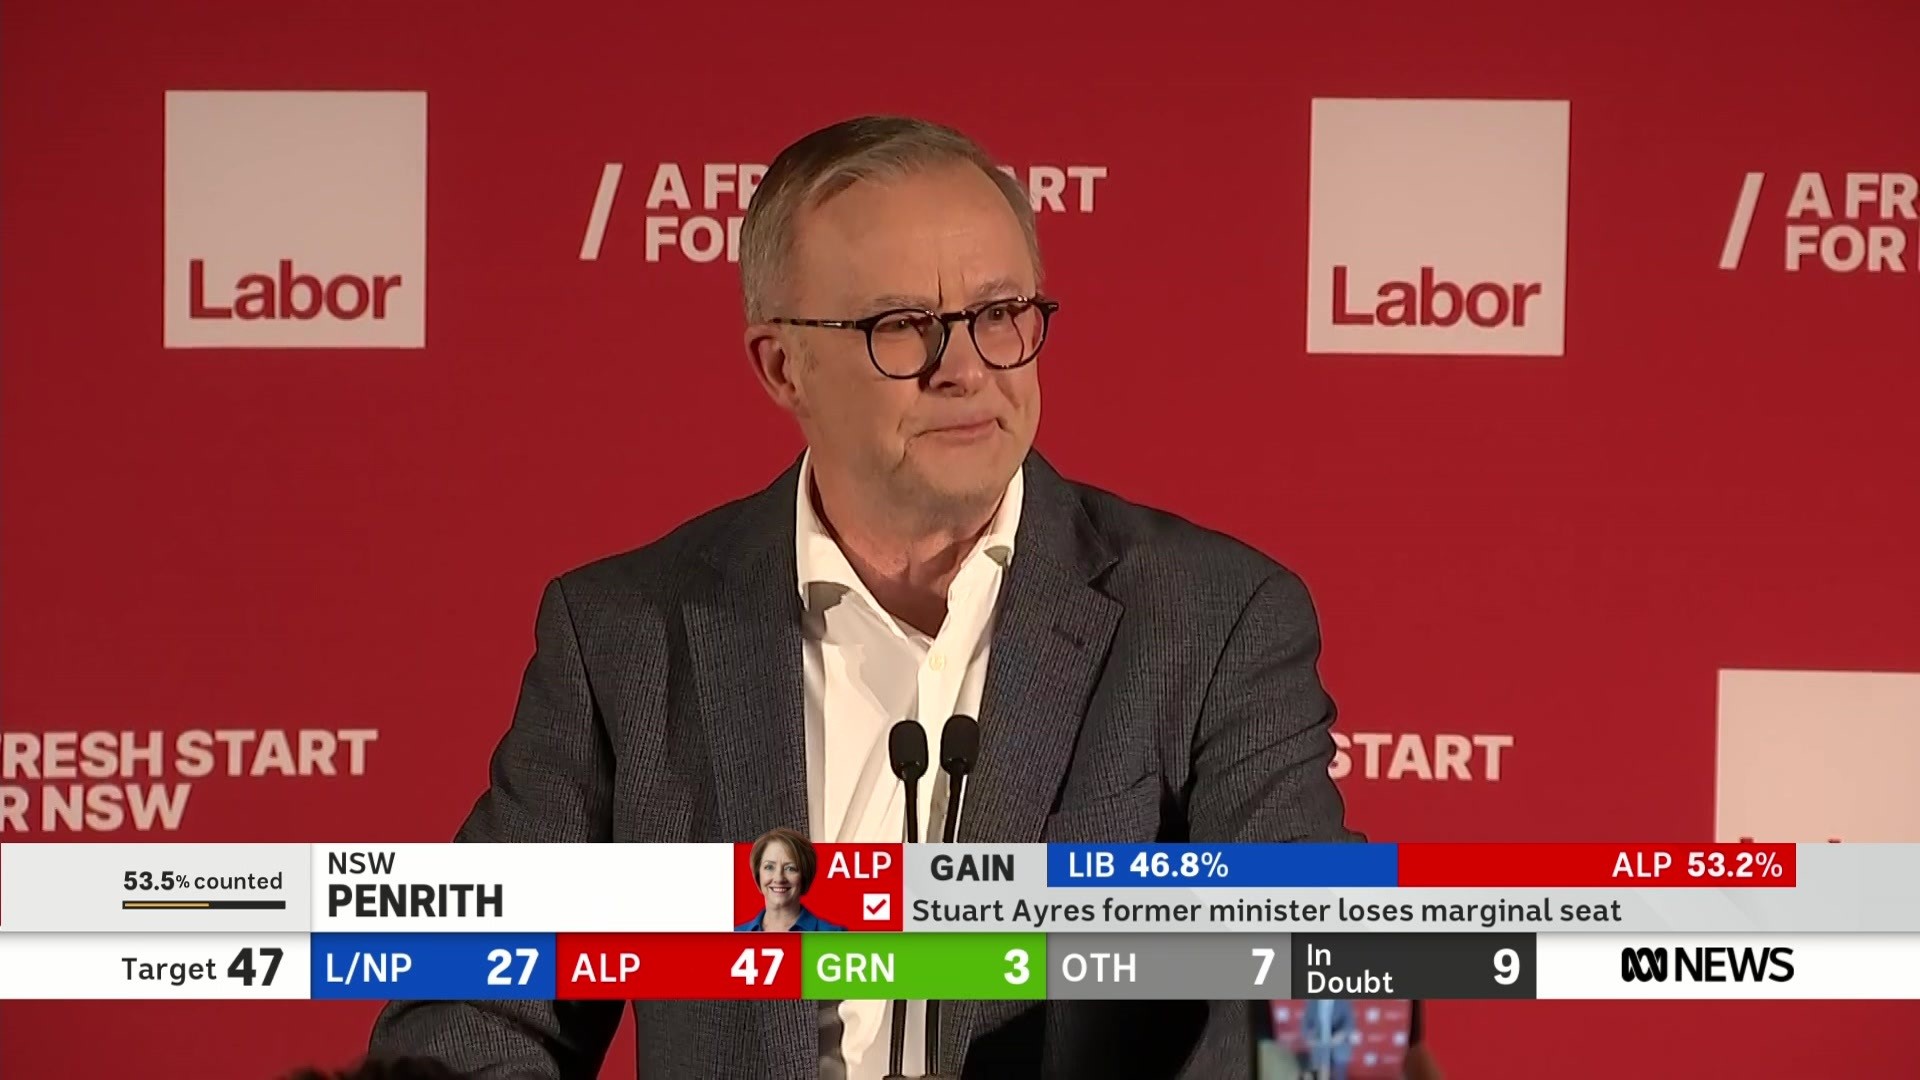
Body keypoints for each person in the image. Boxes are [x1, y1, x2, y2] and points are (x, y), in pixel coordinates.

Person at [368, 114, 1360, 1079]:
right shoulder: (627, 636)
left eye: (1002, 314)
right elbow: (476, 1003)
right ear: (782, 365)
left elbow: (1325, 979)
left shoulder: (1213, 619)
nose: (967, 369)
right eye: (904, 327)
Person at [735, 826, 847, 931]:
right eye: (769, 867)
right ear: (758, 874)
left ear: (804, 875)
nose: (779, 878)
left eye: (790, 868)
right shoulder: (732, 937)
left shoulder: (834, 935)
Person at [1297, 998, 1355, 1080]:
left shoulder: (1343, 1001)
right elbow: (1305, 1025)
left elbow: (1350, 1024)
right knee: (1318, 1075)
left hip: (1339, 1046)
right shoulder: (1312, 1002)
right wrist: (1309, 1036)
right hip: (1318, 1045)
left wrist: (1341, 1034)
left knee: (1339, 1076)